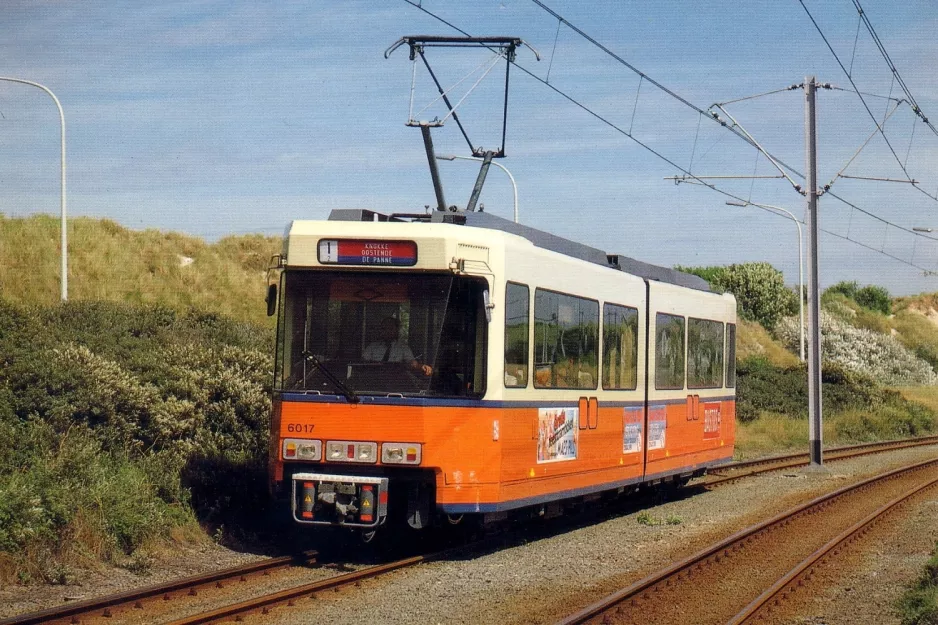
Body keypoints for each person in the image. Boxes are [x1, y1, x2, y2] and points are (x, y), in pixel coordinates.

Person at [363, 317, 432, 376]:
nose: (387, 331)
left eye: (390, 328)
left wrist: (421, 366)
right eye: (384, 329)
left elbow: (412, 363)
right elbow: (363, 363)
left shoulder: (403, 347)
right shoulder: (372, 347)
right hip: (374, 379)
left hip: (396, 382)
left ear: (396, 330)